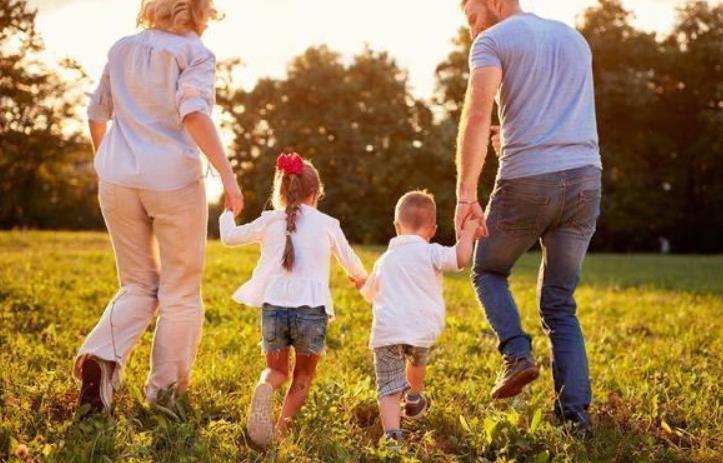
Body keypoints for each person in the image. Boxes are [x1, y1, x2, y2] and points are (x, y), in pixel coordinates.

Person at [74, 0, 243, 413]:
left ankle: (101, 357)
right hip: (172, 181)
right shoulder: (195, 53)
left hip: (117, 178)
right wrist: (227, 174)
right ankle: (164, 395)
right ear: (201, 11)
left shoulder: (122, 48)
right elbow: (194, 114)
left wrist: (104, 160)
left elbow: (97, 111)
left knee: (137, 285)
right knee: (179, 291)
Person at [456, 0, 603, 434]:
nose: (471, 30)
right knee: (560, 303)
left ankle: (516, 353)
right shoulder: (575, 39)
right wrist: (515, 139)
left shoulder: (493, 40)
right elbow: (553, 116)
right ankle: (575, 418)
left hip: (527, 182)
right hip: (585, 180)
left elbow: (477, 114)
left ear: (496, 3)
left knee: (488, 269)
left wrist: (467, 194)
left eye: (471, 17)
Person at [219, 152, 367, 447]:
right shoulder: (327, 223)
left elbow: (229, 237)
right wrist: (362, 278)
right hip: (311, 309)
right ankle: (282, 430)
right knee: (302, 376)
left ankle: (265, 386)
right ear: (315, 194)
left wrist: (227, 212)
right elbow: (351, 262)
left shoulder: (270, 220)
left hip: (274, 305)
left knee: (277, 371)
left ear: (282, 192)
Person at [360, 191, 477, 446]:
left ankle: (392, 434)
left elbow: (369, 293)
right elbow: (461, 257)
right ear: (432, 229)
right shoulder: (432, 252)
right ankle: (413, 396)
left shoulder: (384, 259)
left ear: (396, 226)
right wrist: (467, 233)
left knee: (388, 386)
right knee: (417, 361)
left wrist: (362, 283)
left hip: (388, 331)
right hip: (421, 329)